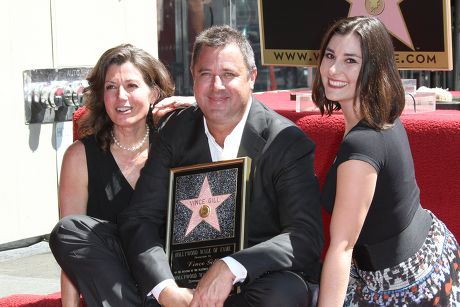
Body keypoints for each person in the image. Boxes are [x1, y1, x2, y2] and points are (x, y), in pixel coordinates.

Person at [51, 25, 324, 307]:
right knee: (70, 230)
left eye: (229, 75)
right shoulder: (177, 129)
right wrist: (165, 288)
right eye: (206, 75)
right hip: (177, 277)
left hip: (248, 279)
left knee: (285, 293)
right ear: (193, 78)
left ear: (252, 77)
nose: (217, 85)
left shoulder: (285, 141)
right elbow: (140, 217)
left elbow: (304, 236)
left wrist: (232, 265)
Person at [311, 16, 460, 306]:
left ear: (374, 68)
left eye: (350, 60)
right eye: (330, 55)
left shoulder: (362, 145)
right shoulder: (382, 115)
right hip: (431, 253)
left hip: (405, 285)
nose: (332, 69)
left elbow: (342, 247)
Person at [50, 43, 193, 306]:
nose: (121, 97)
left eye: (132, 86)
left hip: (166, 279)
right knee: (68, 230)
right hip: (112, 282)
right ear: (101, 96)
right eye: (111, 87)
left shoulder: (176, 145)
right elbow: (71, 250)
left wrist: (196, 103)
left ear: (154, 94)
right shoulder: (79, 156)